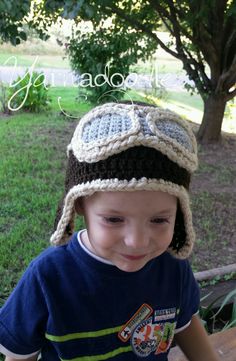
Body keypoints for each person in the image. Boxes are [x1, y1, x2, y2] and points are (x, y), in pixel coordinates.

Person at [0, 102, 220, 361]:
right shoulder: (48, 277)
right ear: (79, 205)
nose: (137, 242)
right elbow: (19, 356)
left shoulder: (173, 268)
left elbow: (186, 326)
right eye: (114, 219)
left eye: (159, 220)